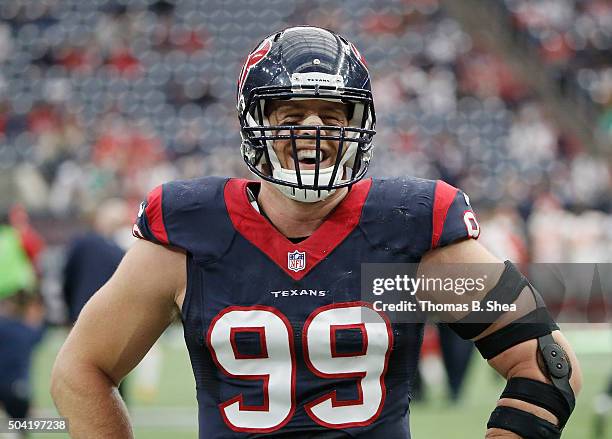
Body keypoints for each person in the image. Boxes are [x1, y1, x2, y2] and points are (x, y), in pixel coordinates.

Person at [51, 26, 582, 438]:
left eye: (332, 114)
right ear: (255, 122)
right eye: (291, 113)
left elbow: (547, 365)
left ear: (360, 124)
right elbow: (82, 369)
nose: (313, 130)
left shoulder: (406, 228)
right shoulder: (193, 231)